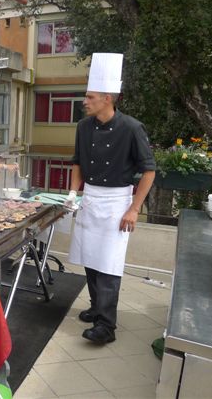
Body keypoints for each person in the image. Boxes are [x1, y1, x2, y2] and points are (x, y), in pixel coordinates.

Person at [64, 53, 155, 345]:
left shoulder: (132, 128)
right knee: (90, 260)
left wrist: (134, 208)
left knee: (108, 264)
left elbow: (149, 171)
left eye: (90, 97)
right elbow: (78, 162)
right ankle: (96, 308)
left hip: (117, 202)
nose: (85, 101)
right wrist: (73, 193)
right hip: (91, 199)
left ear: (107, 98)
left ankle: (106, 326)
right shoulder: (83, 127)